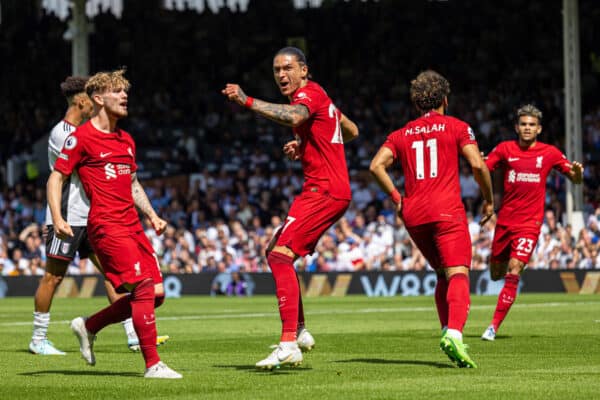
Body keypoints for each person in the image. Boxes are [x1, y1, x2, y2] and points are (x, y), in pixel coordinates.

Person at [222, 46, 359, 369]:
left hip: (323, 190)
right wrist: (309, 142)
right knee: (276, 251)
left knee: (279, 256)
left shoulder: (309, 95)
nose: (281, 75)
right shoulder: (318, 98)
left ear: (304, 71)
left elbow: (297, 117)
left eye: (287, 68)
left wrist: (247, 101)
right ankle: (298, 332)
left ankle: (288, 343)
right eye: (276, 70)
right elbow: (350, 131)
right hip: (322, 188)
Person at [47, 69, 181, 378]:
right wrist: (57, 217)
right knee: (144, 287)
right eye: (117, 91)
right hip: (105, 226)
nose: (124, 96)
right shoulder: (80, 138)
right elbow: (57, 177)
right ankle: (152, 364)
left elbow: (133, 183)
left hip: (133, 225)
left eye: (125, 92)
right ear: (98, 98)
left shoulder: (126, 140)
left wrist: (152, 214)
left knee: (157, 294)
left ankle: (89, 325)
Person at [369, 70, 494, 368]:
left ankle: (446, 330)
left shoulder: (400, 134)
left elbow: (376, 166)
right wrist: (489, 200)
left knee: (441, 273)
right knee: (459, 272)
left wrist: (398, 200)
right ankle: (454, 333)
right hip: (446, 211)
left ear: (416, 104)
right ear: (445, 100)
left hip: (414, 214)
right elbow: (477, 164)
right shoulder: (457, 127)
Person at [480, 104, 584, 341]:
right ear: (517, 127)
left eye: (532, 125)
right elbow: (483, 170)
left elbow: (574, 179)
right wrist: (479, 164)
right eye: (523, 125)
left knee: (515, 267)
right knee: (496, 273)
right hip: (505, 222)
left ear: (539, 129)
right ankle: (502, 276)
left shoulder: (550, 153)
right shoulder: (505, 149)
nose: (527, 128)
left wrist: (577, 175)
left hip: (530, 224)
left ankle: (492, 327)